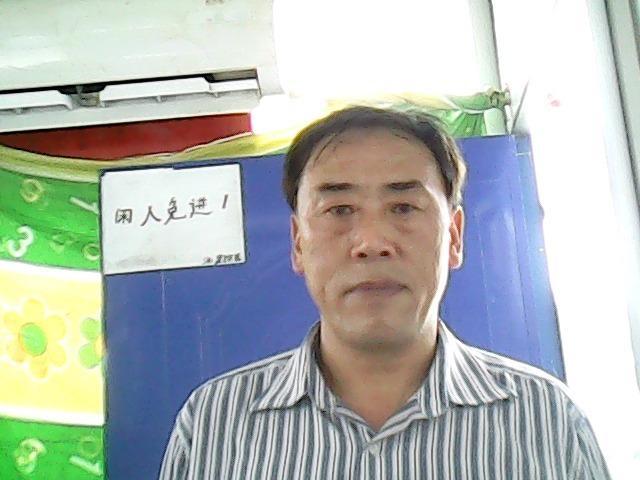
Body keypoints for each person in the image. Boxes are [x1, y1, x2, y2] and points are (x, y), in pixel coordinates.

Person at [159, 105, 610, 479]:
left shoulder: (548, 420)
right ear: (298, 244)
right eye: (339, 209)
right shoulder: (214, 423)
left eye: (404, 207)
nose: (372, 242)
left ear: (454, 237)